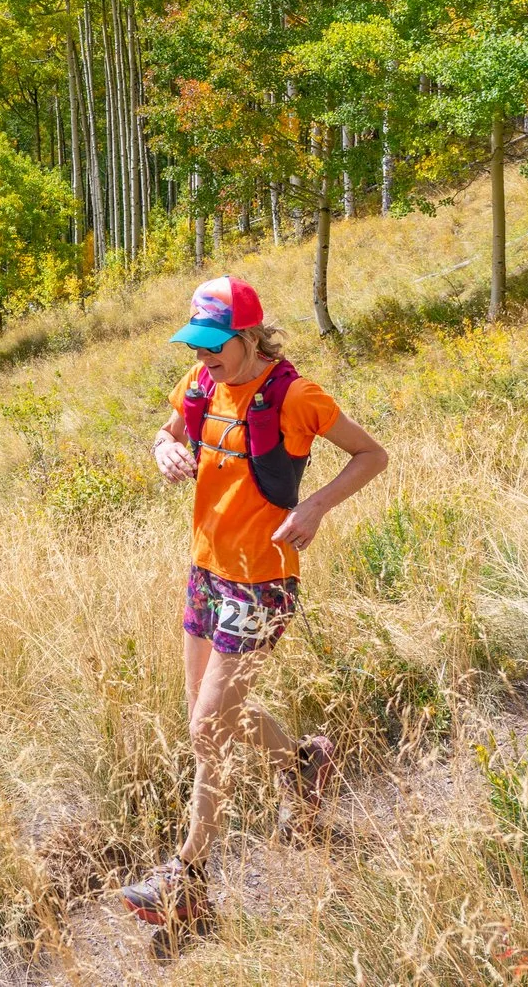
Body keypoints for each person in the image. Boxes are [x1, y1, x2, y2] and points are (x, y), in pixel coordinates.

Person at [120, 274, 389, 937]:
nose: (205, 354)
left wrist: (315, 505)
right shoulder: (202, 383)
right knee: (213, 719)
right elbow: (164, 430)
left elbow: (370, 454)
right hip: (206, 574)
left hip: (261, 583)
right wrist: (165, 450)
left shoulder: (295, 395)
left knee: (208, 727)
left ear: (248, 336)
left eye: (217, 343)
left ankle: (188, 878)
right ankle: (301, 764)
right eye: (199, 342)